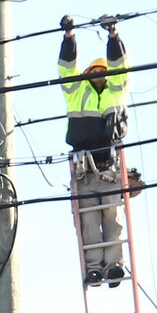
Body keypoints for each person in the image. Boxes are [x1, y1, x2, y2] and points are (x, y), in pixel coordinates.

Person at [59, 15, 130, 287]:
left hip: (109, 167)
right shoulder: (76, 92)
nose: (99, 75)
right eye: (94, 72)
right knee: (88, 220)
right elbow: (67, 69)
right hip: (84, 169)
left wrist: (113, 36)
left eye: (103, 72)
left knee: (112, 216)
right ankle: (94, 269)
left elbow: (120, 66)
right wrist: (69, 37)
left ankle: (114, 266)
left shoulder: (116, 91)